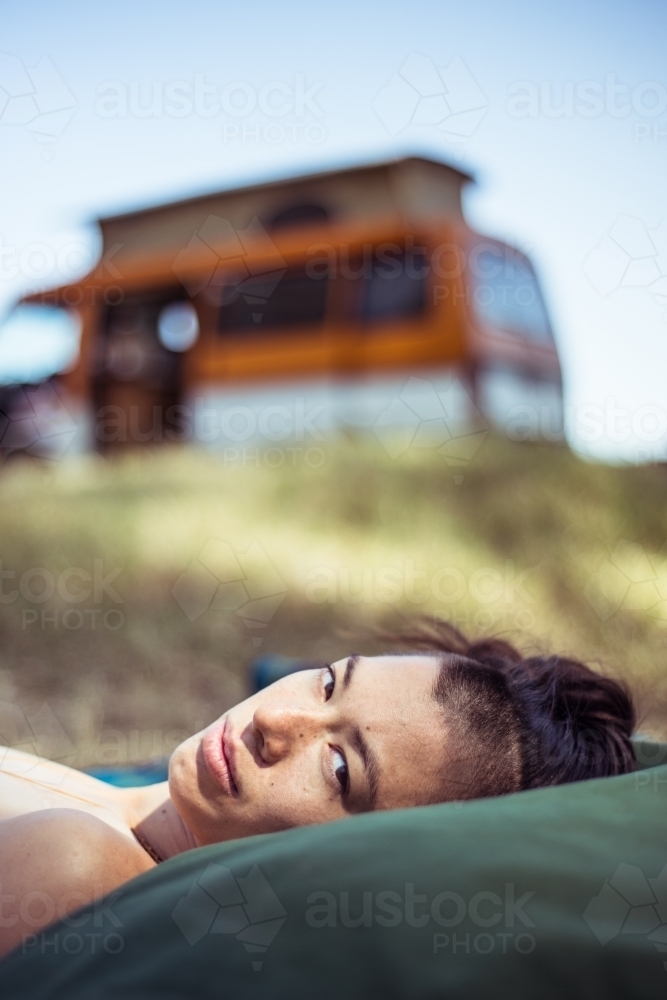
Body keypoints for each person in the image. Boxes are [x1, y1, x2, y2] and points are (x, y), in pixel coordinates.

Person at [0, 621, 635, 958]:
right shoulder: (119, 809)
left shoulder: (78, 864)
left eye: (339, 769)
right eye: (328, 683)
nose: (276, 723)